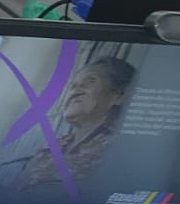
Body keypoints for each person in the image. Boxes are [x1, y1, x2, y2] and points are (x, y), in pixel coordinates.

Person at [17, 58, 137, 190]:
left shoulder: (124, 147)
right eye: (73, 86)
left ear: (118, 96)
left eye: (90, 81)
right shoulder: (50, 147)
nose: (76, 89)